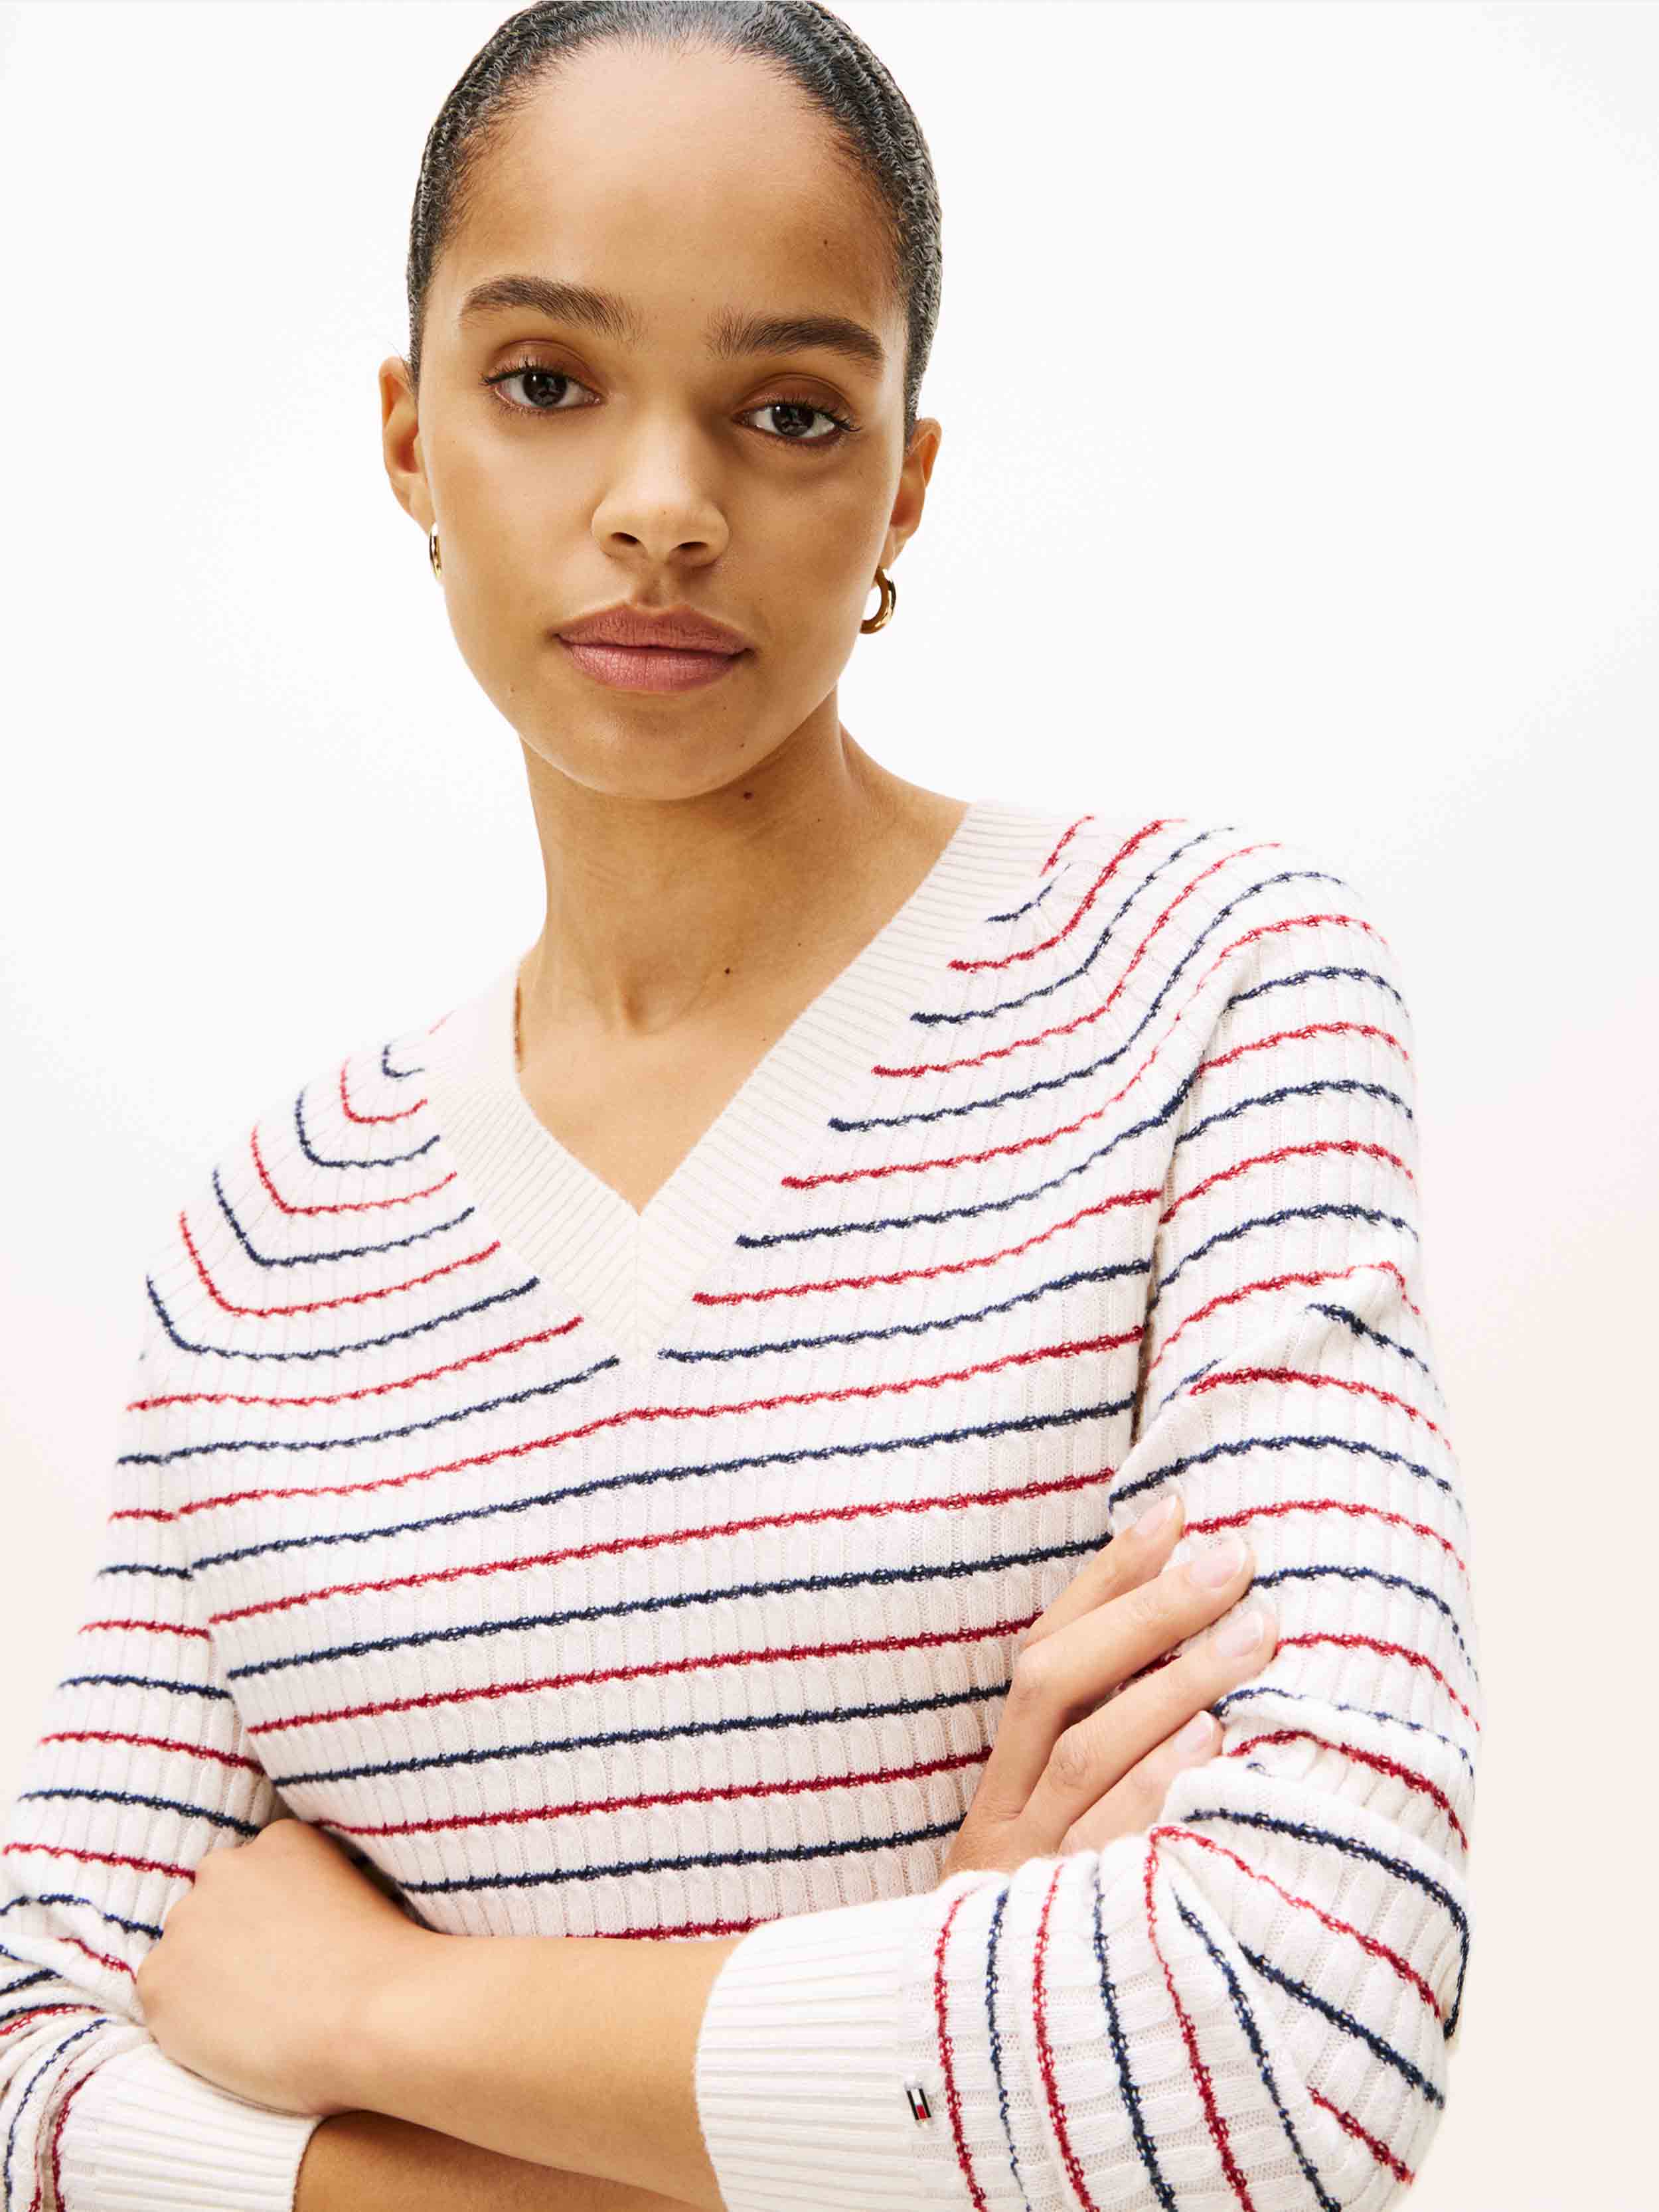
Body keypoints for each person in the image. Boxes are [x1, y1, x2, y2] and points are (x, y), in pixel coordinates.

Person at [0, 5, 1479, 2209]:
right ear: (409, 437)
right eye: (544, 383)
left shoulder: (1197, 986)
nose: (662, 509)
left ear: (903, 482)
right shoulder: (270, 1241)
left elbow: (1293, 2042)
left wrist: (372, 2016)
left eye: (787, 411)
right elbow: (27, 2069)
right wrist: (903, 2087)